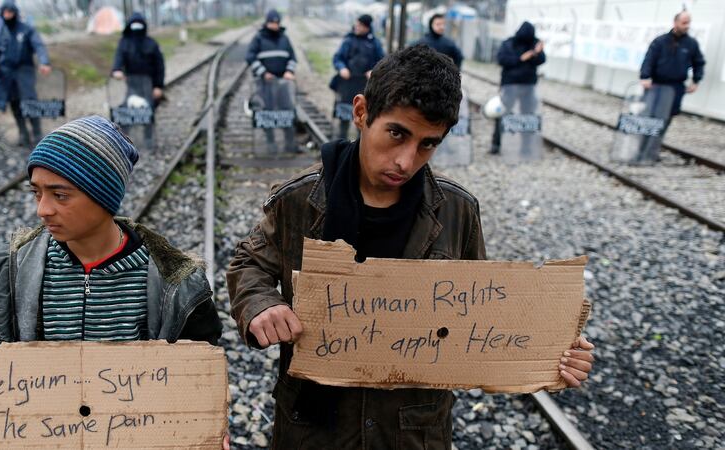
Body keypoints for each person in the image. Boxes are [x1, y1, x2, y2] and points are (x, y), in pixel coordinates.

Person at [227, 45, 594, 449]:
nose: (405, 160)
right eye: (397, 133)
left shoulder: (457, 212)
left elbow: (488, 312)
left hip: (411, 432)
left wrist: (552, 353)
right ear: (362, 112)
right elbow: (248, 263)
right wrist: (261, 303)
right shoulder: (299, 201)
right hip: (314, 429)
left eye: (427, 144)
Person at [0, 116, 227, 449]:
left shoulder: (176, 281)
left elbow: (198, 371)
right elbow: (3, 365)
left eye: (60, 196)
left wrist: (207, 421)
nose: (43, 210)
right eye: (37, 193)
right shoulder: (16, 267)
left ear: (104, 196)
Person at [637, 10, 705, 162]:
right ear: (675, 23)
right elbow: (649, 60)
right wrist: (645, 77)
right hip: (656, 85)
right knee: (649, 116)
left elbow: (699, 63)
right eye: (684, 22)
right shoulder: (660, 41)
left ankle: (652, 151)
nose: (687, 26)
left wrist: (696, 80)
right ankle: (641, 149)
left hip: (675, 88)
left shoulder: (691, 44)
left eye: (689, 23)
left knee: (665, 119)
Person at [0, 0, 51, 147]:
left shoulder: (27, 30)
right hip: (6, 73)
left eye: (10, 12)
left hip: (24, 70)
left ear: (15, 13)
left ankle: (37, 132)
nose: (7, 15)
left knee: (29, 100)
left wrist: (44, 62)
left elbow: (39, 46)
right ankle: (23, 133)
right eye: (5, 12)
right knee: (14, 102)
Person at [246, 9, 299, 154]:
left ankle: (290, 144)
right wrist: (263, 73)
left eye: (276, 23)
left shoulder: (284, 38)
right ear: (266, 22)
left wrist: (289, 71)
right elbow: (250, 57)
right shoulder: (258, 38)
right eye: (271, 23)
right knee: (267, 113)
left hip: (283, 84)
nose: (274, 25)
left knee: (287, 111)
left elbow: (293, 58)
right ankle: (271, 144)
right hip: (265, 84)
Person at [112, 12, 166, 150]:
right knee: (125, 111)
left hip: (149, 84)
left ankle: (149, 140)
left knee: (148, 111)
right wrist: (117, 70)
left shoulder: (151, 44)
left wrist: (158, 86)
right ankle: (123, 142)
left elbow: (160, 66)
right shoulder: (124, 43)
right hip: (131, 84)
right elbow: (118, 58)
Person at [491, 21, 545, 154]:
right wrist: (521, 58)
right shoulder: (509, 43)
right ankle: (496, 144)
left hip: (528, 86)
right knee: (503, 114)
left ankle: (525, 147)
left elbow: (542, 60)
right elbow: (501, 60)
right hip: (511, 85)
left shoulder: (534, 44)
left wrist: (537, 52)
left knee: (527, 117)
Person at [330, 14, 385, 139]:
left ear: (366, 27)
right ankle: (341, 144)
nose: (357, 27)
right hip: (347, 83)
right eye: (357, 24)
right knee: (344, 117)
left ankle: (360, 149)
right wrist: (341, 68)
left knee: (362, 119)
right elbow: (337, 58)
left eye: (360, 25)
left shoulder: (374, 43)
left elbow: (382, 61)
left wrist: (373, 70)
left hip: (364, 85)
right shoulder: (348, 40)